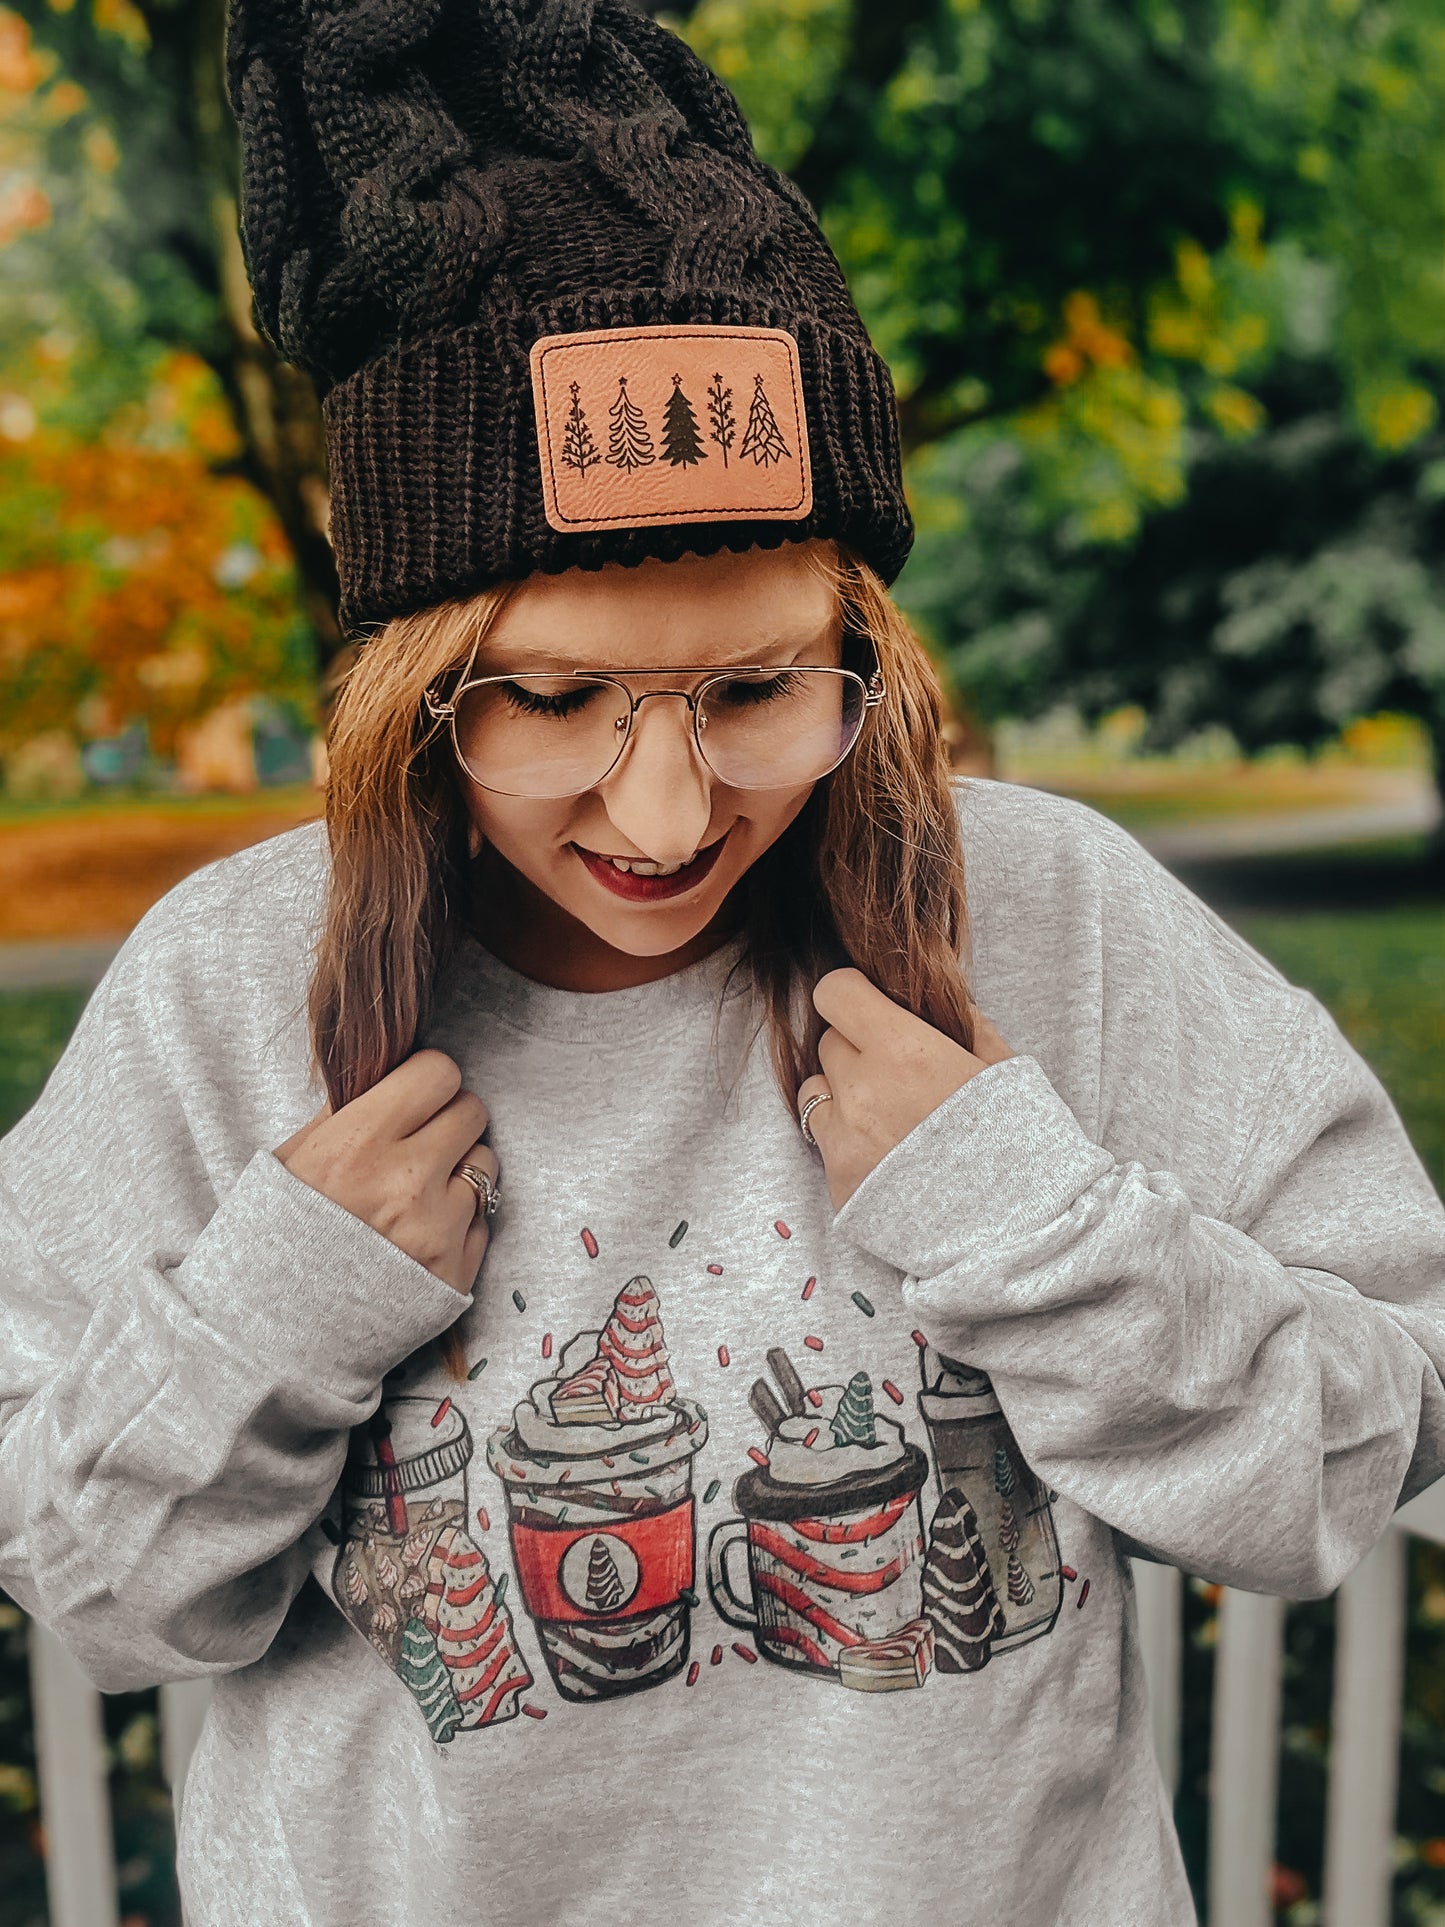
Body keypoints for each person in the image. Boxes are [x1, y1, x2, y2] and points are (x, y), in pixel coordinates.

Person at [2, 5, 1443, 1924]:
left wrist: (1033, 1217)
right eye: (554, 698)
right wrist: (276, 1305)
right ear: (410, 694)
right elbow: (96, 1591)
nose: (667, 816)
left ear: (864, 643)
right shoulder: (220, 988)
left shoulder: (1057, 917)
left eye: (760, 689)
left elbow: (1369, 1446)